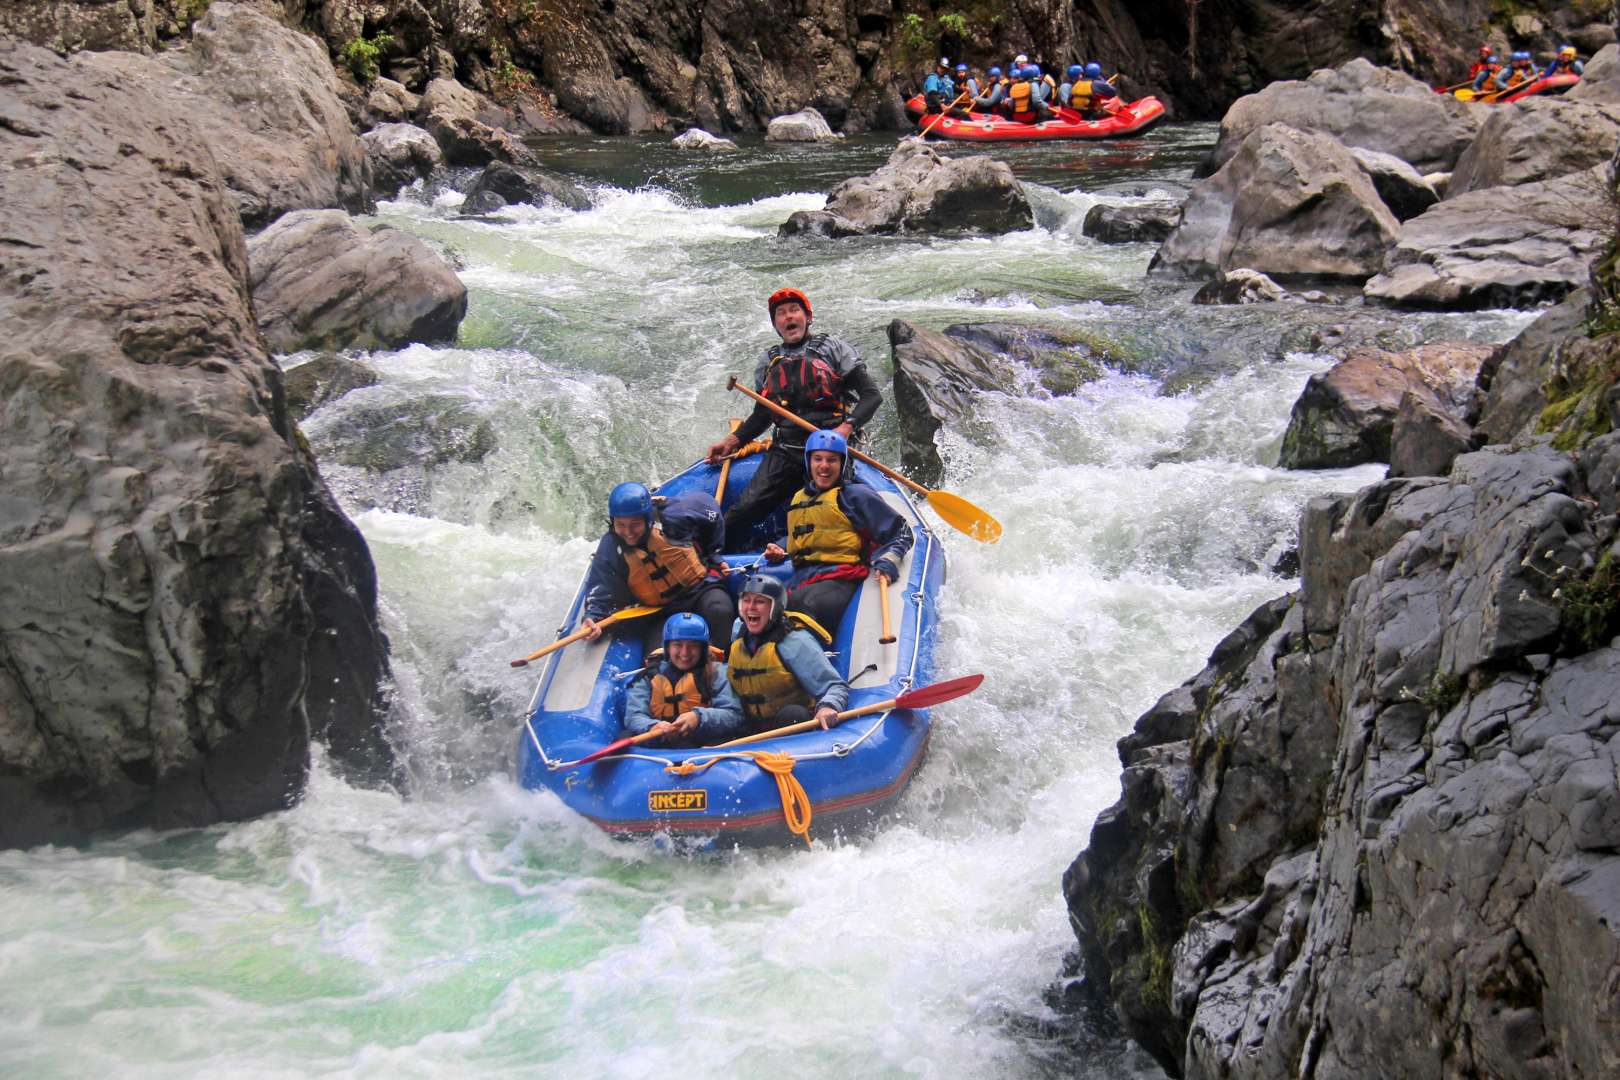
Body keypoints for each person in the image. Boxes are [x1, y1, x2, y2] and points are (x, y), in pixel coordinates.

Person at [705, 289, 883, 547]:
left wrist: (846, 428)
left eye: (794, 310)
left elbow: (871, 395)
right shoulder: (768, 361)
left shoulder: (833, 349)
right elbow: (763, 415)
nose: (788, 317)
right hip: (786, 449)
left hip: (828, 448)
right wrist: (732, 440)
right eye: (781, 313)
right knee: (742, 511)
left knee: (828, 513)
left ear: (807, 317)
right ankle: (713, 558)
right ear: (776, 324)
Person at [762, 430, 913, 635]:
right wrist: (781, 547)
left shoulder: (854, 496)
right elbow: (808, 534)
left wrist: (888, 561)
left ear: (842, 464)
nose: (824, 466)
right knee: (761, 606)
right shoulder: (799, 497)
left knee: (801, 605)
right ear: (809, 462)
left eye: (831, 460)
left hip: (841, 579)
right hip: (804, 579)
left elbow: (902, 532)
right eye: (818, 459)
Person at [581, 481, 735, 647]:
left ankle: (721, 658)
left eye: (635, 524)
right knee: (658, 656)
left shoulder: (673, 515)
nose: (628, 532)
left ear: (647, 519)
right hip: (659, 612)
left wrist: (714, 555)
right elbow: (600, 588)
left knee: (720, 611)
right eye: (621, 525)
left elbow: (711, 511)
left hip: (700, 590)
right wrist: (593, 617)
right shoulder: (610, 546)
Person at [726, 575, 849, 733]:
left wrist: (828, 706)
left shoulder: (795, 641)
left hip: (788, 726)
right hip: (751, 729)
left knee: (792, 714)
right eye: (746, 600)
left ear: (775, 607)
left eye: (760, 601)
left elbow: (835, 686)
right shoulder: (738, 633)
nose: (751, 607)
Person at [622, 612, 744, 746]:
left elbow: (733, 714)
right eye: (677, 645)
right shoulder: (649, 676)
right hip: (660, 746)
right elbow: (634, 716)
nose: (685, 653)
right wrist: (652, 726)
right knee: (624, 736)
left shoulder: (718, 673)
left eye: (693, 645)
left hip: (703, 747)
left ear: (703, 649)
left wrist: (699, 717)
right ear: (668, 647)